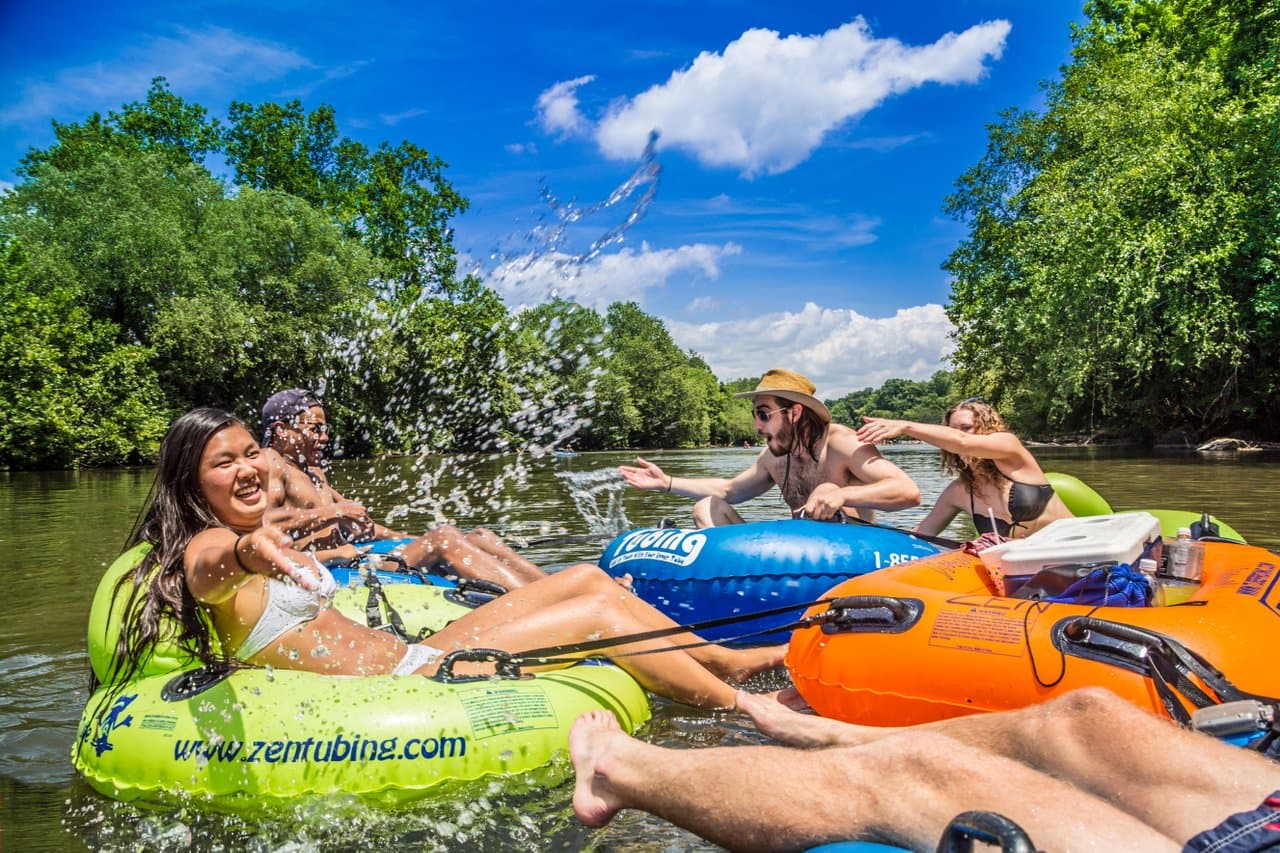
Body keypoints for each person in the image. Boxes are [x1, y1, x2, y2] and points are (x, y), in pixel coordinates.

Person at [105, 408, 785, 711]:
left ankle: (730, 659)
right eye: (225, 462)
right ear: (193, 484)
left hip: (413, 653)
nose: (250, 467)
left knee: (583, 576)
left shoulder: (254, 515)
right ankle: (746, 707)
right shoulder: (210, 543)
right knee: (599, 613)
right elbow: (208, 569)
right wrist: (251, 550)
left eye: (252, 450)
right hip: (404, 686)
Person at [569, 686, 1280, 851]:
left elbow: (906, 482)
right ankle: (844, 732)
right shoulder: (776, 453)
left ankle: (618, 770)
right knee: (1084, 715)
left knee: (918, 768)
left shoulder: (841, 447)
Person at [260, 388, 546, 589]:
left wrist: (413, 537)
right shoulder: (272, 463)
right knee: (444, 539)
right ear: (282, 429)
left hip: (354, 554)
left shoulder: (314, 471)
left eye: (325, 429)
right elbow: (266, 525)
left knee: (479, 537)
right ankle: (536, 604)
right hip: (331, 569)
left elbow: (363, 527)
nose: (324, 437)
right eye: (315, 429)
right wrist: (336, 511)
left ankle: (558, 591)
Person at [619, 369, 920, 528]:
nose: (757, 426)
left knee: (829, 487)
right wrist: (666, 483)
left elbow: (907, 491)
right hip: (796, 558)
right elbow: (728, 491)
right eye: (755, 415)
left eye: (764, 414)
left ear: (796, 413)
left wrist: (842, 493)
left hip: (848, 554)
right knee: (707, 508)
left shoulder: (841, 442)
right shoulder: (773, 458)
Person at [857, 397, 1072, 539]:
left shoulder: (1010, 450)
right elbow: (921, 534)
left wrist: (905, 426)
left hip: (1079, 554)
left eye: (967, 428)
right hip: (1029, 574)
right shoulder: (958, 492)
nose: (956, 435)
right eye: (950, 430)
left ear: (986, 428)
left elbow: (961, 441)